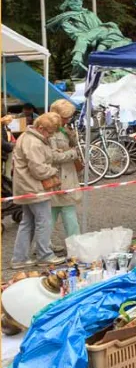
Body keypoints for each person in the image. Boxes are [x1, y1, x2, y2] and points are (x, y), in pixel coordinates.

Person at [11, 113, 69, 268]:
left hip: (26, 186)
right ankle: (44, 255)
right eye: (49, 132)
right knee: (44, 221)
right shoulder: (34, 142)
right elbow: (38, 169)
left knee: (27, 222)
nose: (50, 135)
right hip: (34, 188)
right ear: (41, 128)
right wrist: (52, 171)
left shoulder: (27, 136)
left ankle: (19, 258)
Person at [49, 100, 82, 239]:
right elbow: (53, 156)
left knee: (53, 212)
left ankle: (43, 246)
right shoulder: (51, 132)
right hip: (60, 176)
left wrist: (72, 137)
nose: (68, 119)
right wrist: (73, 153)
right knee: (67, 210)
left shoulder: (63, 129)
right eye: (66, 117)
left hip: (66, 175)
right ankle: (75, 243)